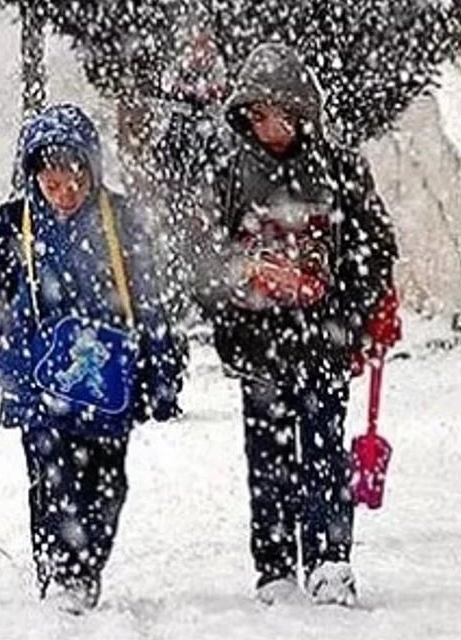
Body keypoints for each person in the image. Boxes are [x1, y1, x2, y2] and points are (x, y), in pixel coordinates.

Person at [0, 104, 185, 614]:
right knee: (50, 478)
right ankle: (59, 572)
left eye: (74, 182)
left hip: (108, 382)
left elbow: (150, 302)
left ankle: (86, 566)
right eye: (51, 185)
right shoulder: (13, 225)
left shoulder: (120, 221)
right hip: (36, 382)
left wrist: (163, 375)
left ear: (92, 173)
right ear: (34, 178)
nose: (63, 196)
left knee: (107, 483)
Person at [192, 43, 402, 606]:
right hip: (259, 345)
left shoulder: (339, 167)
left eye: (280, 114)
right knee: (268, 458)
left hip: (325, 340)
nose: (270, 127)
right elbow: (204, 255)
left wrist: (351, 309)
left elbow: (373, 246)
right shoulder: (230, 171)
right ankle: (275, 565)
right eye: (257, 116)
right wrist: (240, 288)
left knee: (325, 452)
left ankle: (332, 559)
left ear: (303, 111)